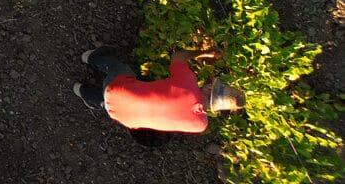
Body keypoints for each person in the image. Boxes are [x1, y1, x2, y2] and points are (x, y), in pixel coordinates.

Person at [73, 47, 244, 136]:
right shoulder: (200, 126)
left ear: (209, 88)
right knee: (110, 103)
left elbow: (177, 57)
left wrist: (205, 53)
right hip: (122, 117)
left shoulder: (188, 84)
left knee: (122, 70)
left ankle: (90, 57)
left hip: (116, 88)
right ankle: (83, 91)